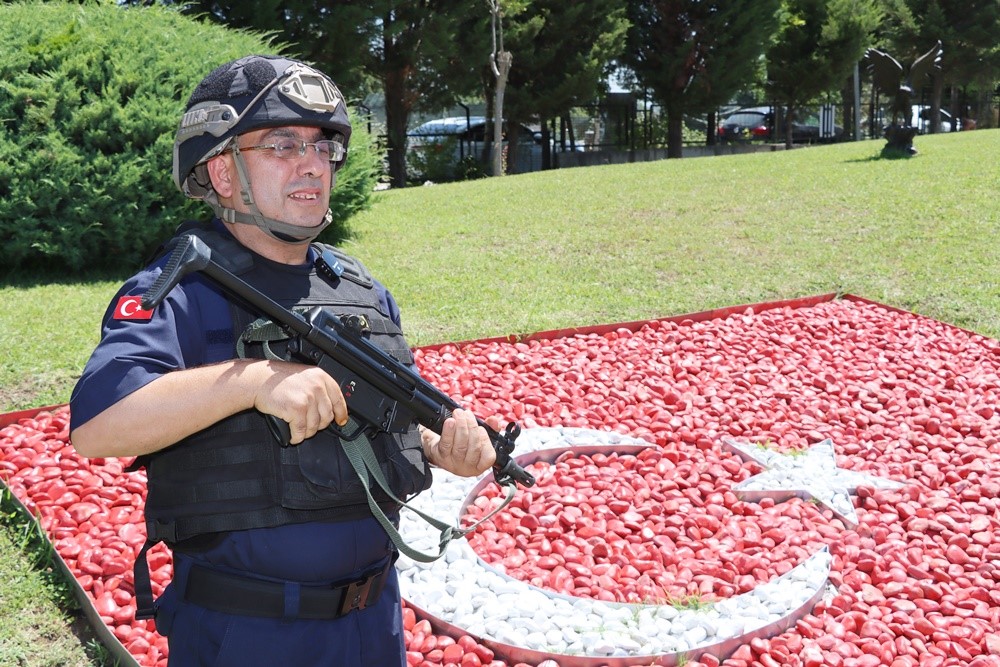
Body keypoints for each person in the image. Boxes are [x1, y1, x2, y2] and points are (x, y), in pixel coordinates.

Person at [70, 54, 497, 667]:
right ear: (221, 171)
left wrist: (442, 447)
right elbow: (95, 425)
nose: (311, 163)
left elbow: (391, 418)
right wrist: (251, 383)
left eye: (323, 147)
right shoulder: (185, 288)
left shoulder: (360, 290)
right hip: (249, 635)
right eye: (282, 144)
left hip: (374, 625)